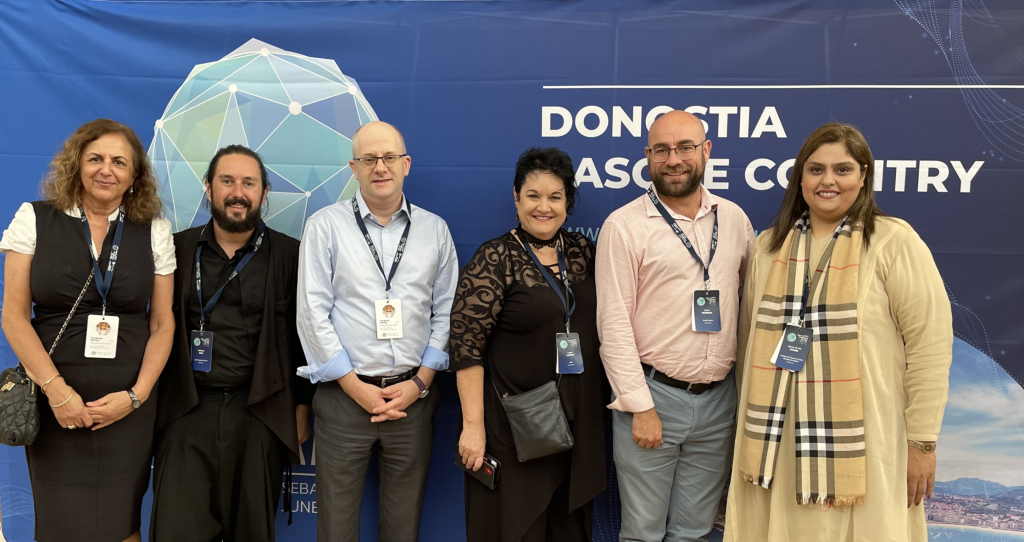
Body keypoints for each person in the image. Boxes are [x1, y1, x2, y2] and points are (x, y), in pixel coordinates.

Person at [723, 123, 952, 542]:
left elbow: (929, 347)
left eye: (842, 169)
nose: (828, 180)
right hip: (777, 441)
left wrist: (923, 443)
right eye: (816, 169)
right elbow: (747, 344)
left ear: (863, 176)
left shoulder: (893, 242)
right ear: (800, 177)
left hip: (868, 444)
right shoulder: (768, 247)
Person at [0, 119, 176, 542]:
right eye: (95, 158)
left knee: (122, 524)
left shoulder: (154, 230)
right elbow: (13, 316)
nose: (106, 170)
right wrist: (58, 394)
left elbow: (163, 322)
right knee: (61, 526)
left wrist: (136, 396)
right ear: (76, 164)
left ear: (134, 177)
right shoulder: (35, 218)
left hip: (127, 410)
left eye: (119, 162)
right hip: (54, 404)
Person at [296, 121, 459, 542]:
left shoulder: (435, 230)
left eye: (389, 157)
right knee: (335, 530)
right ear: (354, 167)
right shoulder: (325, 226)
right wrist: (354, 387)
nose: (380, 167)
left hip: (412, 402)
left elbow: (446, 313)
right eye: (369, 159)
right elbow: (312, 313)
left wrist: (420, 382)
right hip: (343, 400)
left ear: (406, 164)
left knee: (403, 530)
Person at [596, 110, 754, 542]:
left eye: (685, 147)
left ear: (705, 151)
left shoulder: (735, 220)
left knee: (695, 531)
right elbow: (613, 325)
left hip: (719, 402)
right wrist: (639, 406)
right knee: (643, 533)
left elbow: (750, 303)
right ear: (647, 156)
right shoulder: (624, 226)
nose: (674, 159)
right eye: (662, 150)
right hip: (653, 399)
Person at [148, 145, 313, 541]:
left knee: (253, 533)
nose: (238, 192)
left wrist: (303, 404)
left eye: (249, 183)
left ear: (264, 192)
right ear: (208, 188)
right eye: (227, 181)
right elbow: (152, 324)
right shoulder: (175, 249)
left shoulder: (291, 254)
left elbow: (305, 335)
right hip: (186, 411)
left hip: (259, 413)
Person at [452, 147, 608, 542]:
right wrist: (473, 427)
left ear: (568, 202)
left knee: (567, 531)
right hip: (516, 428)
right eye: (533, 195)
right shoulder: (495, 257)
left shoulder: (582, 252)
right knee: (515, 530)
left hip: (576, 425)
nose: (544, 207)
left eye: (555, 196)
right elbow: (466, 347)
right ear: (516, 197)